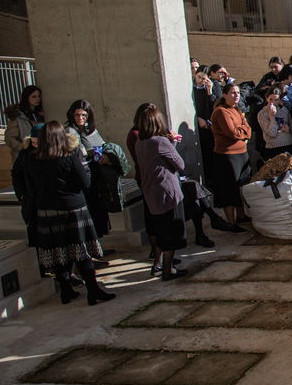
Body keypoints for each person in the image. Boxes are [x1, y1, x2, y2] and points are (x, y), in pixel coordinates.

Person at [22, 121, 114, 305]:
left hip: (46, 211)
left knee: (59, 252)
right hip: (73, 209)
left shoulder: (30, 159)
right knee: (81, 251)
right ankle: (93, 290)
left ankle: (66, 291)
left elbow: (29, 185)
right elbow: (85, 182)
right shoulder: (68, 156)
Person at [133, 107, 189, 280]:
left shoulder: (140, 142)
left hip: (151, 192)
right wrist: (173, 143)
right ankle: (167, 270)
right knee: (171, 233)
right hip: (167, 193)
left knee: (160, 231)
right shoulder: (159, 142)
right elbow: (180, 164)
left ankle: (158, 265)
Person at [64, 99, 115, 243]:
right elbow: (75, 154)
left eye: (83, 115)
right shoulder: (70, 131)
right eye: (77, 115)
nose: (80, 118)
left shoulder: (89, 129)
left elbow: (101, 144)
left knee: (98, 211)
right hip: (83, 175)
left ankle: (98, 245)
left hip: (97, 175)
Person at [210, 82, 252, 227]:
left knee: (240, 186)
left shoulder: (237, 110)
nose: (236, 96)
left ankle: (241, 215)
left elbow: (248, 129)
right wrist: (243, 131)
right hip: (227, 156)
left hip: (242, 153)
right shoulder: (221, 111)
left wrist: (243, 130)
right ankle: (231, 222)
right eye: (233, 93)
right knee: (229, 189)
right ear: (225, 95)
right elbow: (232, 133)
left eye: (238, 93)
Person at [256, 86, 292, 160]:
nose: (273, 103)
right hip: (273, 147)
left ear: (279, 100)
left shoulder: (284, 110)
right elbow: (272, 133)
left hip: (287, 144)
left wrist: (289, 128)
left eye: (276, 100)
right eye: (270, 99)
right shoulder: (262, 113)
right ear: (266, 98)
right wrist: (272, 116)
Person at [5, 84, 44, 153]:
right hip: (24, 156)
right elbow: (9, 138)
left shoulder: (41, 114)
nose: (37, 99)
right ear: (26, 97)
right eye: (34, 96)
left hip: (40, 154)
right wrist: (23, 147)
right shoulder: (17, 116)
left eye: (39, 96)